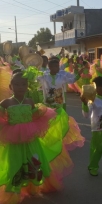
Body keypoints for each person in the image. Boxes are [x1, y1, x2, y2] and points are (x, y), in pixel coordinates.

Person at [0, 70, 83, 203]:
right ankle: (14, 192)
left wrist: (54, 113)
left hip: (31, 140)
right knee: (15, 165)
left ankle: (33, 186)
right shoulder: (5, 103)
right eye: (16, 84)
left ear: (27, 86)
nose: (20, 87)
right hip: (14, 142)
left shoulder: (29, 101)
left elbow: (38, 116)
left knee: (34, 162)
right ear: (11, 86)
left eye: (23, 84)